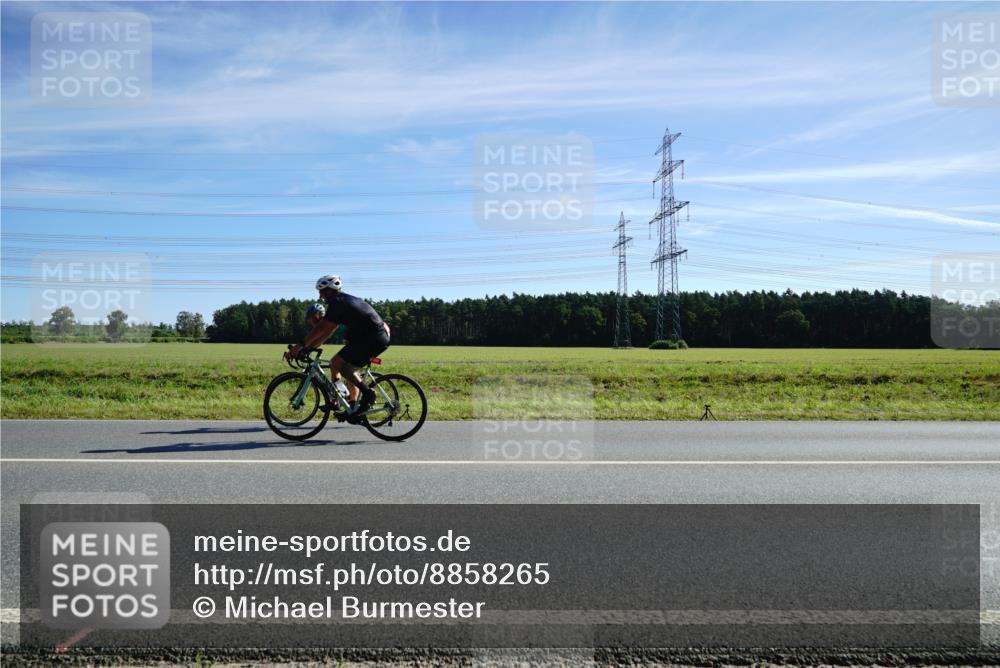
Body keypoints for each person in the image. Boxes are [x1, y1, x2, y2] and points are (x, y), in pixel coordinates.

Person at [287, 275, 390, 418]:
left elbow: (321, 328)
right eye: (320, 291)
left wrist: (301, 345)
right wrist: (308, 348)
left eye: (323, 291)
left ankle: (368, 394)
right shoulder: (341, 301)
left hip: (372, 337)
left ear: (331, 290)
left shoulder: (337, 302)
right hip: (372, 337)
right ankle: (352, 406)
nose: (320, 295)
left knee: (340, 364)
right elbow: (326, 332)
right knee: (341, 366)